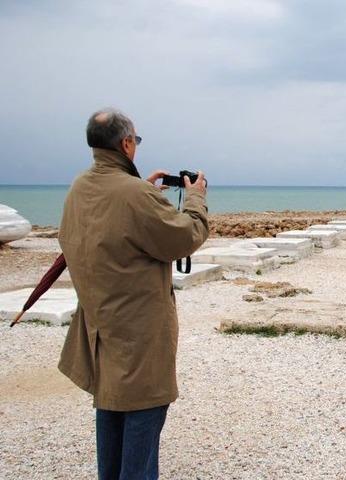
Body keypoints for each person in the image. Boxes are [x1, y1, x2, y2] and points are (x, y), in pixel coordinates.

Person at [58, 108, 209, 478]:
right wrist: (195, 198)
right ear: (126, 143)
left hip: (100, 327)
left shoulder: (79, 187)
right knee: (141, 436)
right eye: (135, 141)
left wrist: (144, 191)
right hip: (140, 336)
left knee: (110, 415)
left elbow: (109, 235)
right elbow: (186, 236)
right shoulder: (135, 195)